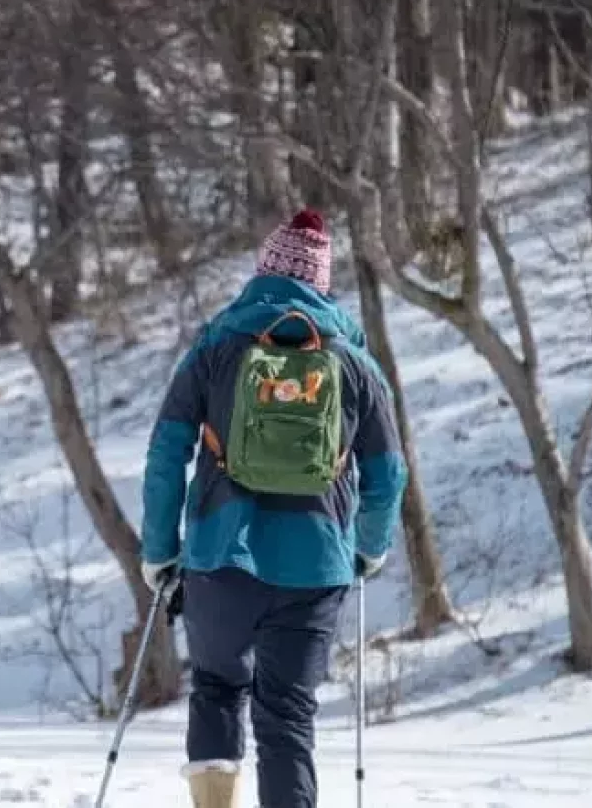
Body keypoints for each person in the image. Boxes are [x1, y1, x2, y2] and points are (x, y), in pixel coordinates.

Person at [140, 209, 407, 808]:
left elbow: (165, 455)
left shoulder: (214, 347)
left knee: (215, 688)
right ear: (322, 283)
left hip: (218, 555)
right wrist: (368, 545)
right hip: (315, 566)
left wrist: (159, 552)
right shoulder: (354, 362)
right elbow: (388, 472)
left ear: (263, 271)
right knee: (286, 716)